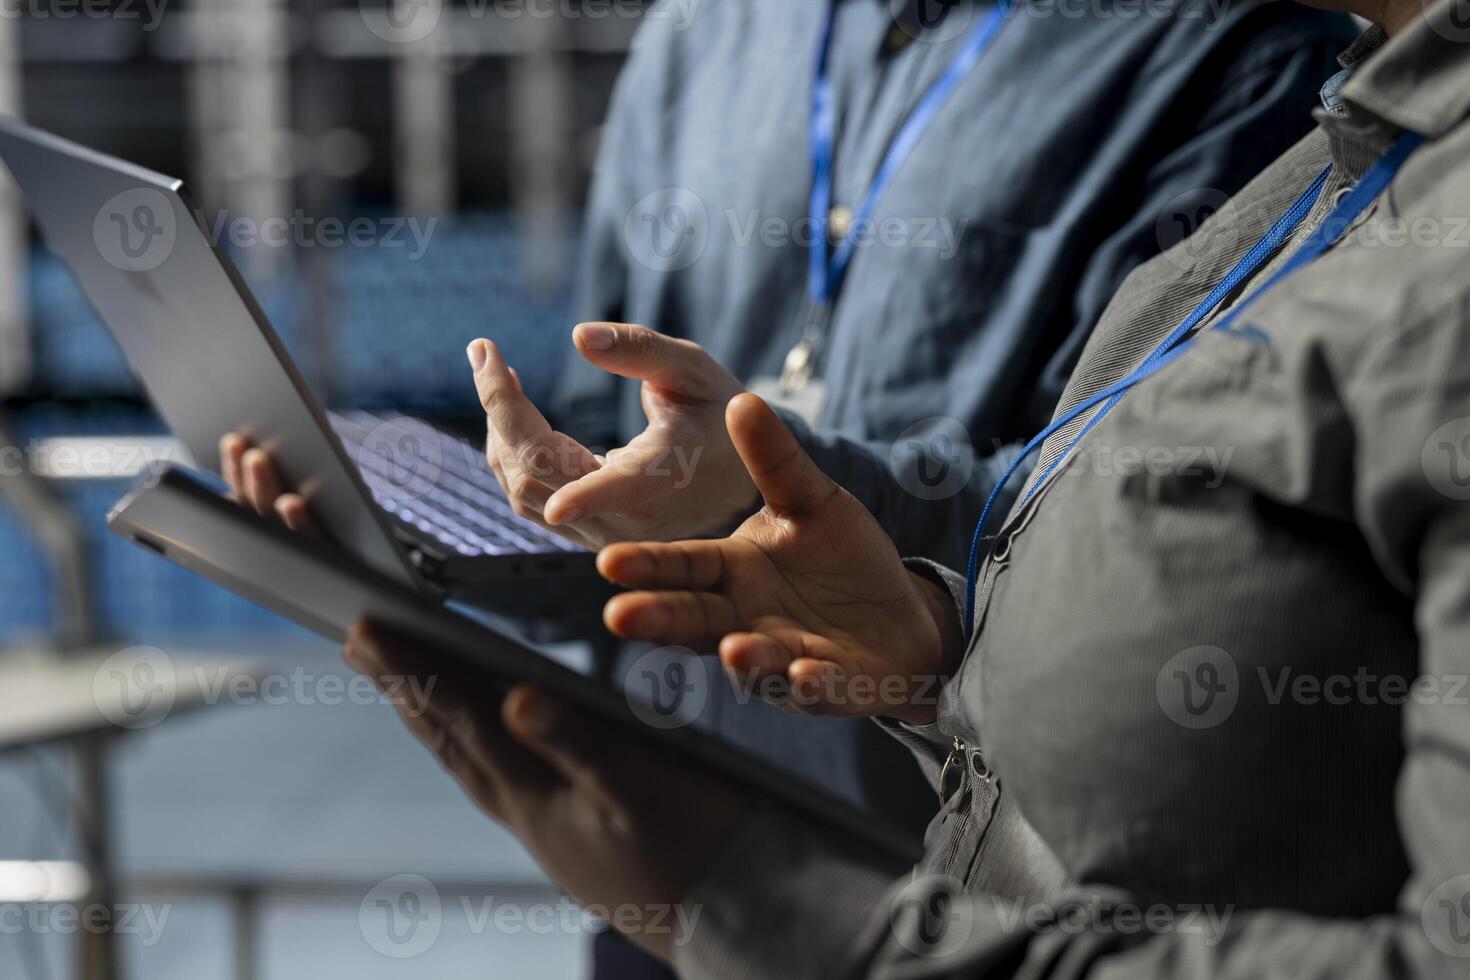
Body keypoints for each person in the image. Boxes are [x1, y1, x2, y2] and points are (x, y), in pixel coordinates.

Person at [340, 0, 1470, 976]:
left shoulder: (1234, 62)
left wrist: (764, 901)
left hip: (865, 892)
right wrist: (933, 646)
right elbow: (1152, 537)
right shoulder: (1342, 151)